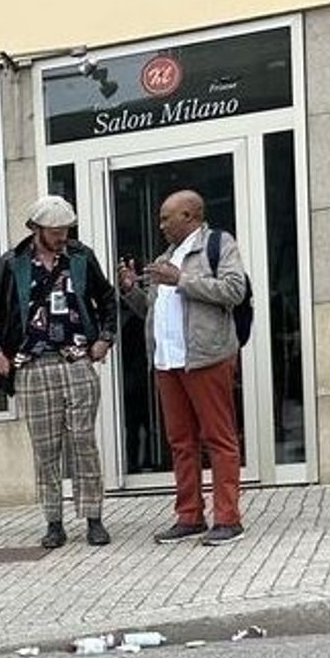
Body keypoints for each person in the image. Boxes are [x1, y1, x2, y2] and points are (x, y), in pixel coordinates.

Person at [0, 195, 118, 549]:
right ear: (36, 229)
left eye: (66, 229)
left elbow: (108, 298)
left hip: (77, 359)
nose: (61, 236)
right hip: (33, 365)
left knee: (83, 441)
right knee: (45, 448)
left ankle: (93, 518)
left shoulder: (81, 257)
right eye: (55, 231)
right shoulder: (12, 263)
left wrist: (105, 338)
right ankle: (54, 522)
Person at [118, 189, 250, 546]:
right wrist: (131, 291)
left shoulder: (218, 245)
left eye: (166, 218)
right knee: (180, 443)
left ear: (189, 216)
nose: (161, 225)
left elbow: (234, 290)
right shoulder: (167, 256)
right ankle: (189, 516)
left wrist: (182, 280)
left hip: (205, 357)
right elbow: (155, 311)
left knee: (219, 439)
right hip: (167, 361)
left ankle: (227, 518)